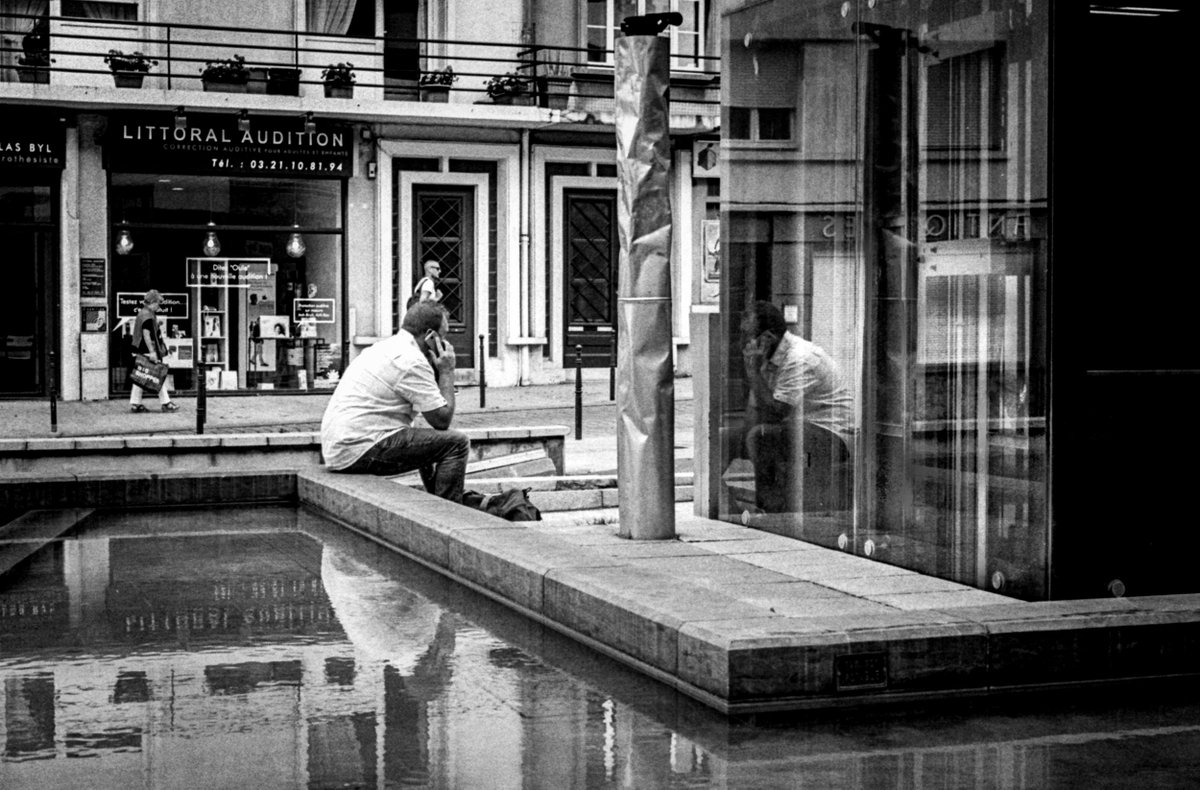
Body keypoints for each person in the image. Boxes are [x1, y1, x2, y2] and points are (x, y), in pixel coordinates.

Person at [320, 301, 469, 503]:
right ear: (430, 336)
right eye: (443, 336)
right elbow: (442, 419)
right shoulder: (412, 360)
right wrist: (446, 371)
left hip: (341, 447)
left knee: (427, 439)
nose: (445, 344)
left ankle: (437, 502)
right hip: (359, 449)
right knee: (456, 443)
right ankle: (451, 513)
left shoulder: (383, 347)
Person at [740, 300, 853, 513]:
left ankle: (771, 509)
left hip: (832, 431)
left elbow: (775, 412)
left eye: (748, 336)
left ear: (767, 338)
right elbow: (757, 408)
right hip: (802, 425)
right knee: (742, 436)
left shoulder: (799, 358)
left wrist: (753, 373)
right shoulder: (769, 355)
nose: (744, 343)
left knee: (761, 437)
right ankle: (758, 503)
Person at [129, 289, 179, 413]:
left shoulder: (143, 313)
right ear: (152, 302)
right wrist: (152, 352)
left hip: (139, 348)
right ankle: (166, 403)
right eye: (157, 303)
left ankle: (135, 403)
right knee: (157, 374)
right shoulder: (148, 316)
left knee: (141, 375)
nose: (159, 306)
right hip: (146, 350)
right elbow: (146, 335)